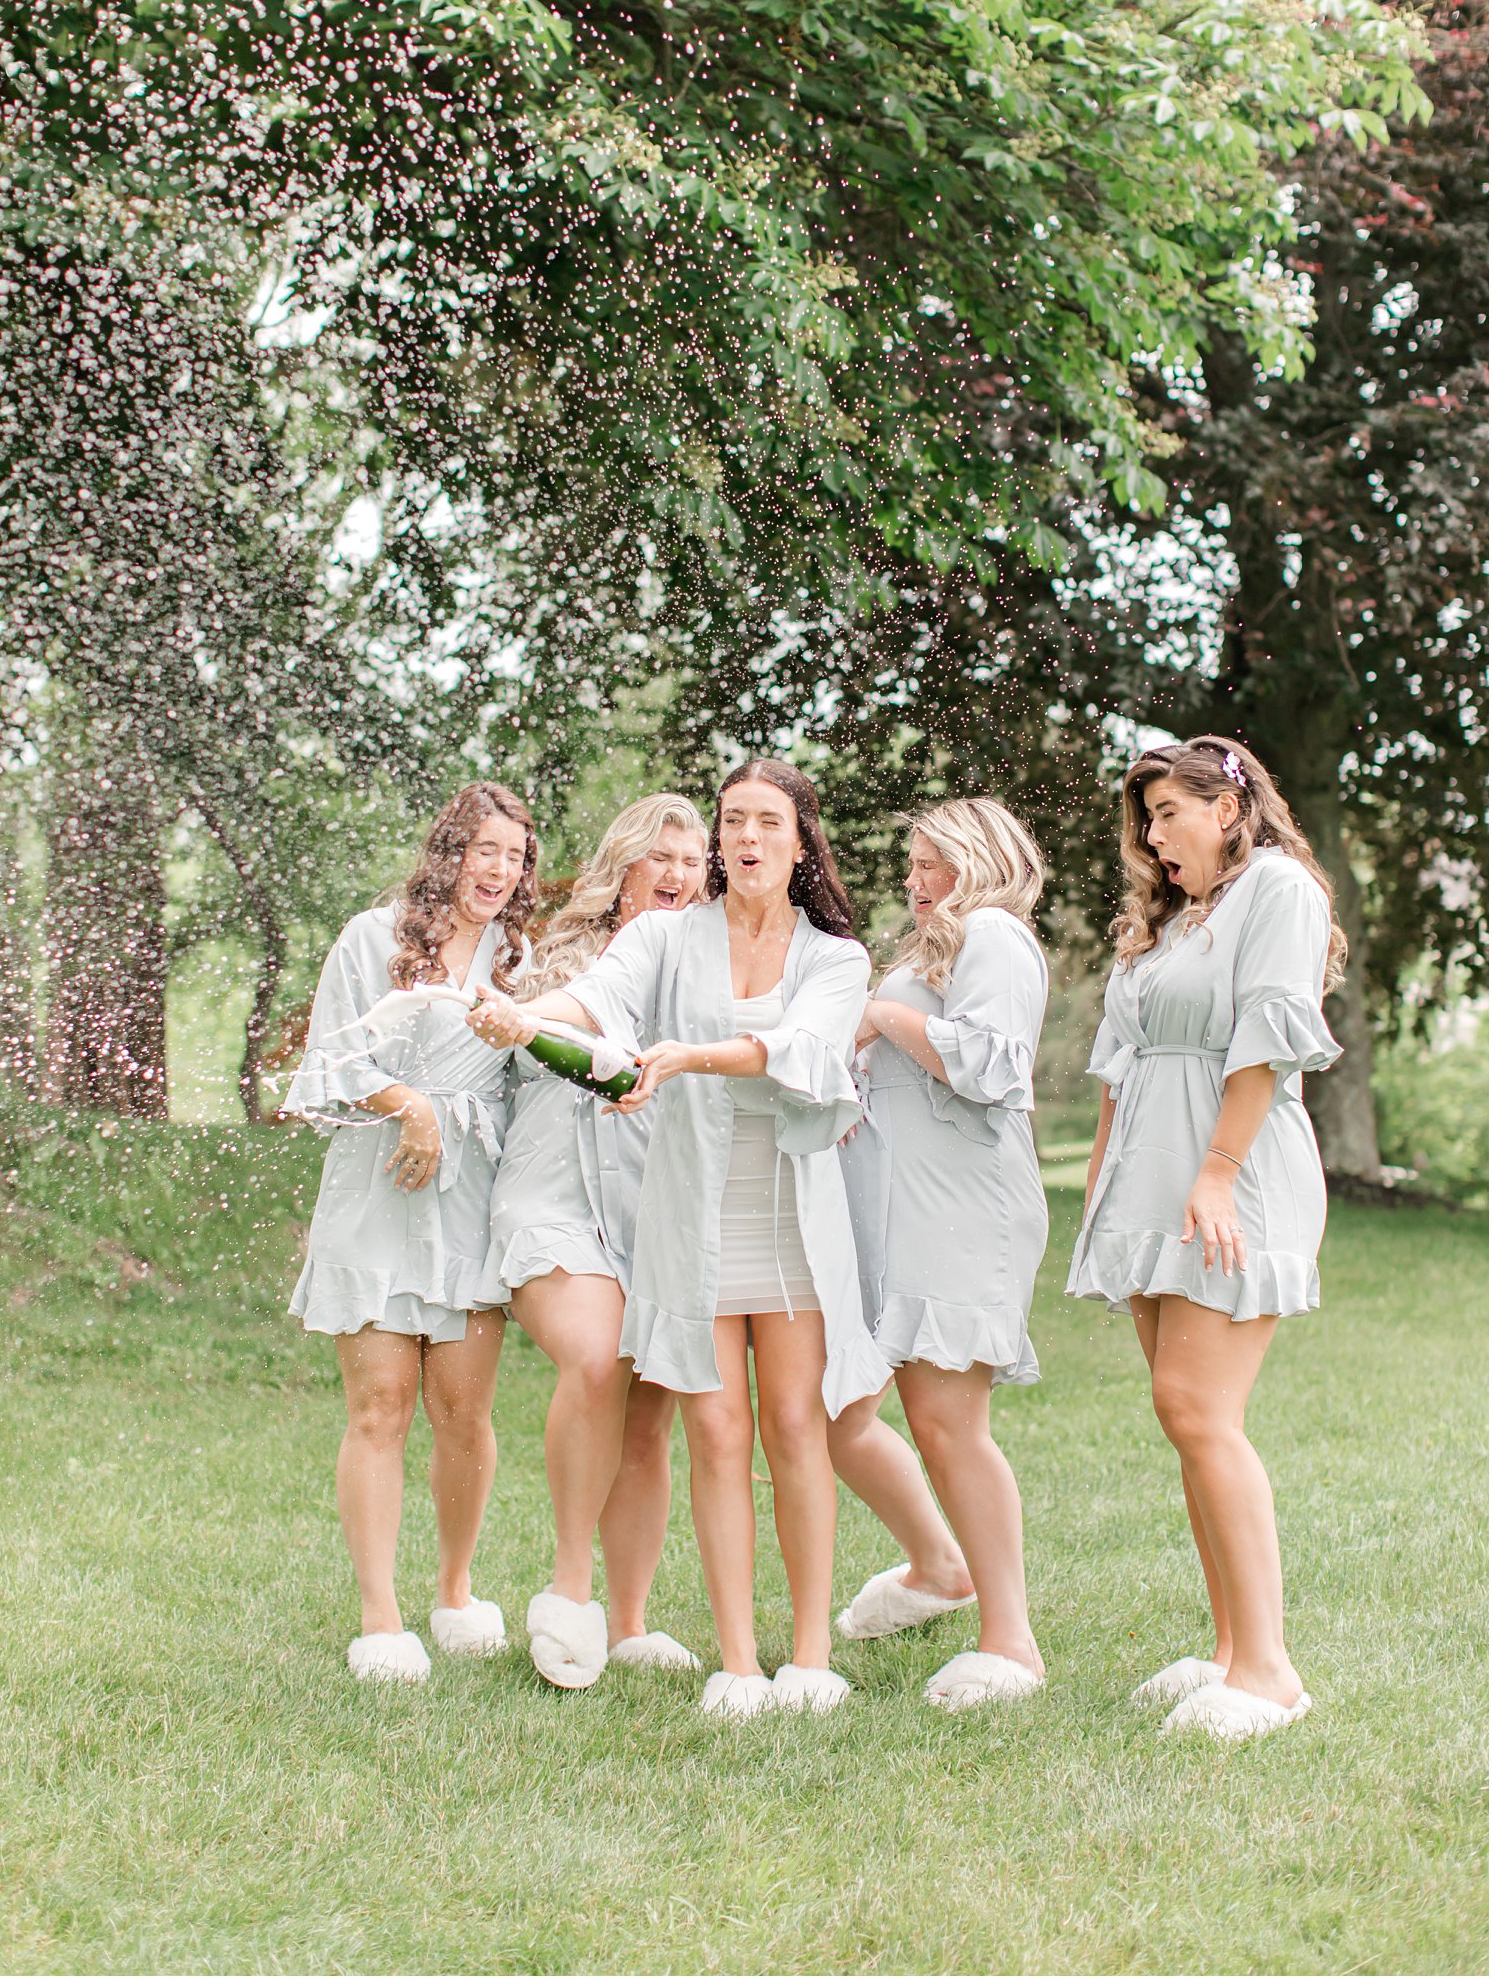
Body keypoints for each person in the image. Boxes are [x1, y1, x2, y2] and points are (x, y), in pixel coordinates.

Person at [472, 759, 891, 1717]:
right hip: (691, 1216)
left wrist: (693, 1054)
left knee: (794, 1428)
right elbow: (599, 1000)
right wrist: (525, 1017)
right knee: (714, 1429)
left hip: (788, 1218)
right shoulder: (666, 936)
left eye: (767, 823)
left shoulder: (835, 957)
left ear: (798, 841)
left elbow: (807, 1054)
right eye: (733, 821)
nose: (747, 838)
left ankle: (811, 1656)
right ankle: (738, 1662)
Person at [1066, 735, 1344, 1740]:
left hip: (1229, 1173)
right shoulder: (1177, 921)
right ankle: (1227, 1650)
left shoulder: (1275, 889)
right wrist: (1103, 1191)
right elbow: (1120, 1060)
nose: (1149, 834)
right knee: (1179, 1415)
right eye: (1142, 818)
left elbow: (1269, 1036)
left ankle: (1269, 1672)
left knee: (1198, 1408)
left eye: (1166, 813)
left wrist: (1216, 1177)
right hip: (1153, 1182)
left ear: (1225, 809)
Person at [283, 780, 537, 1683]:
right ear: (448, 853)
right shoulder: (375, 936)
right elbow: (332, 1056)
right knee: (381, 1404)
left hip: (471, 1199)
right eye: (483, 851)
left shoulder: (519, 956)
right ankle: (380, 1617)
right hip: (379, 1183)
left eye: (514, 856)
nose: (498, 870)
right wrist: (411, 1104)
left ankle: (457, 1591)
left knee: (462, 1410)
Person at [478, 794, 710, 1690]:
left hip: (652, 1206)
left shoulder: (701, 976)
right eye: (665, 856)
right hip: (553, 1198)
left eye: (695, 862)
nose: (681, 874)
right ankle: (568, 1589)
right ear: (624, 865)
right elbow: (538, 1039)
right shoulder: (555, 963)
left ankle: (630, 1619)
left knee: (649, 1418)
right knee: (596, 1355)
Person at [829, 798, 1050, 1710]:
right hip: (906, 1209)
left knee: (952, 1424)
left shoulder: (995, 934)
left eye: (933, 866)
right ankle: (937, 1564)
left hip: (967, 1209)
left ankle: (1013, 1641)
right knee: (850, 1414)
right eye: (911, 866)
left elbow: (992, 1067)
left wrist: (880, 1011)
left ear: (981, 860)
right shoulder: (938, 953)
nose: (915, 883)